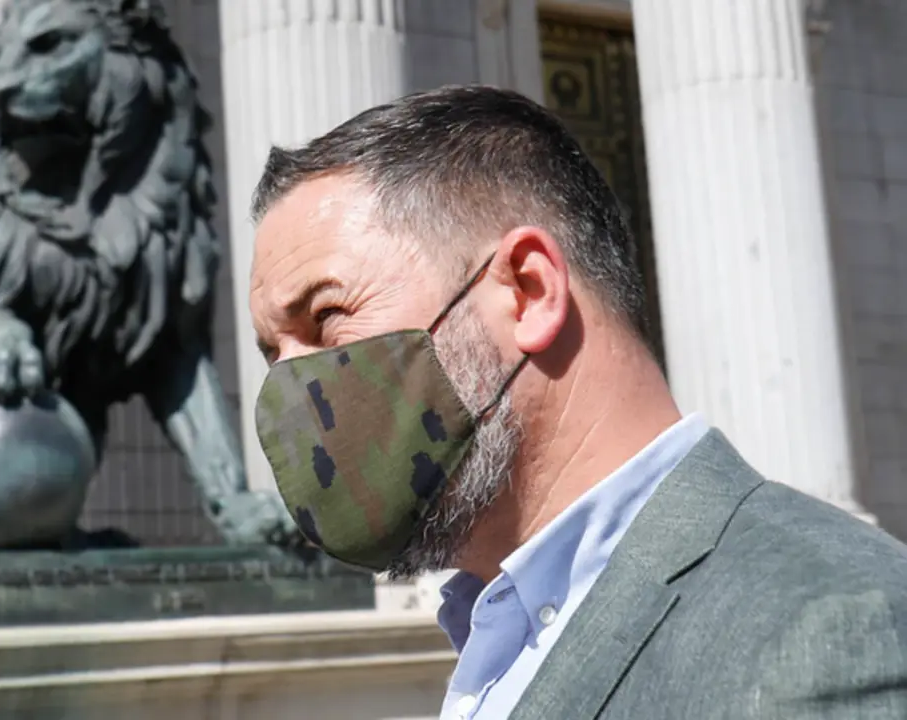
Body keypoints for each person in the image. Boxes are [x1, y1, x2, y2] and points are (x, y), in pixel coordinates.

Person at [247, 84, 907, 719]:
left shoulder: (826, 632)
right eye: (270, 352)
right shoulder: (496, 629)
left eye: (327, 318)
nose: (288, 390)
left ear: (528, 292)